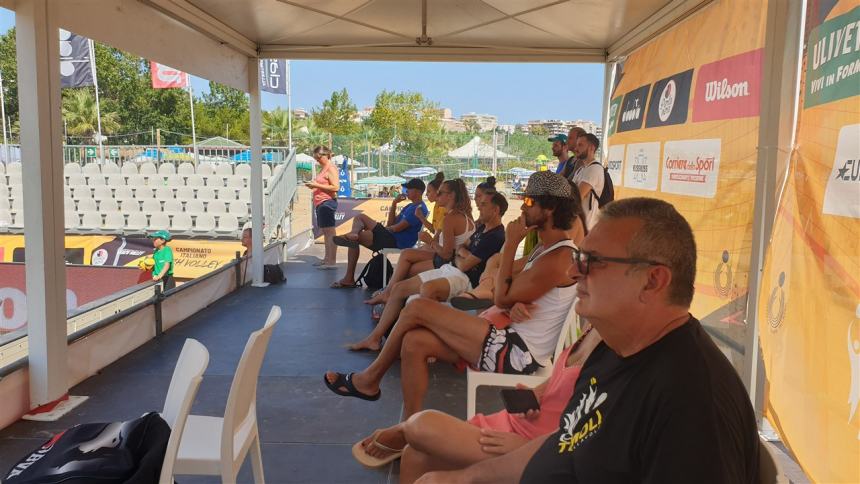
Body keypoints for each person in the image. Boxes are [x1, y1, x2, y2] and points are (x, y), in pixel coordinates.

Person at [417, 198, 760, 484]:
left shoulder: (692, 402)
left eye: (592, 261)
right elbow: (566, 440)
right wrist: (466, 478)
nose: (574, 271)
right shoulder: (612, 350)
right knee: (428, 465)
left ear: (653, 281)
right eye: (580, 257)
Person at [324, 171, 578, 418]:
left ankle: (369, 379)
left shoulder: (560, 257)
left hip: (515, 352)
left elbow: (501, 294)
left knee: (417, 307)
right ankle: (409, 428)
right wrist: (510, 295)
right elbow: (503, 275)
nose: (522, 208)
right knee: (414, 342)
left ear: (551, 208)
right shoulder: (546, 251)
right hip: (503, 334)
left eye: (529, 201)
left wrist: (511, 245)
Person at [352, 327, 603, 483]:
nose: (576, 273)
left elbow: (596, 432)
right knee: (414, 454)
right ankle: (405, 434)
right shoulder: (595, 326)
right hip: (515, 424)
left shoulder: (618, 355)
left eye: (590, 261)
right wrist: (537, 393)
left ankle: (402, 431)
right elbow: (562, 383)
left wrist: (529, 447)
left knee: (422, 426)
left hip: (530, 447)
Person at [349, 191, 506, 352]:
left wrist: (460, 256)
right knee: (398, 288)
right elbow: (460, 248)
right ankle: (374, 338)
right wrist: (462, 255)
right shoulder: (482, 229)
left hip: (465, 279)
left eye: (485, 204)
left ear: (496, 210)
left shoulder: (495, 235)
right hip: (451, 268)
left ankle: (419, 344)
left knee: (425, 288)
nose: (479, 206)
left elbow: (464, 265)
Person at [364, 178, 472, 306]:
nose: (436, 196)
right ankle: (390, 293)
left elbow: (447, 254)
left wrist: (430, 241)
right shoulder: (459, 215)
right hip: (447, 259)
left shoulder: (450, 217)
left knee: (408, 265)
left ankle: (390, 294)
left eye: (440, 193)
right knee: (407, 257)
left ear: (451, 196)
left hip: (447, 262)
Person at [330, 178, 429, 288]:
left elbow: (397, 228)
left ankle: (352, 238)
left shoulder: (419, 208)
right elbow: (391, 223)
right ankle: (353, 236)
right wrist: (394, 203)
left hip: (396, 241)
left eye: (409, 189)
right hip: (391, 237)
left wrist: (381, 229)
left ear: (418, 191)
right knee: (355, 237)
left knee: (360, 218)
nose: (406, 191)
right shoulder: (409, 206)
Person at [304, 146, 340, 269]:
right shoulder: (324, 168)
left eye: (318, 158)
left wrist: (316, 184)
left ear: (326, 155)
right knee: (326, 232)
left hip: (327, 202)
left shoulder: (331, 168)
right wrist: (315, 186)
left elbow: (336, 187)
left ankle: (331, 261)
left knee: (330, 232)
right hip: (321, 203)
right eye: (316, 158)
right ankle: (327, 259)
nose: (317, 160)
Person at [571, 133, 604, 229]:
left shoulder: (594, 169)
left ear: (592, 148)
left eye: (580, 145)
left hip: (586, 228)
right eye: (576, 145)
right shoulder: (581, 170)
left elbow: (577, 197)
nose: (576, 149)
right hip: (578, 226)